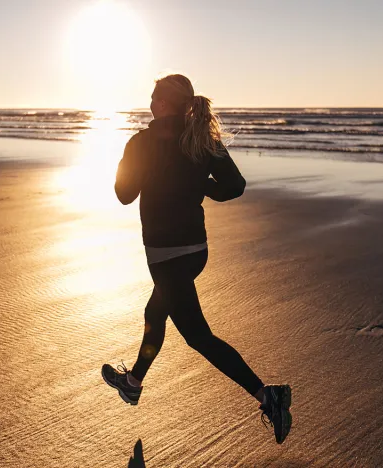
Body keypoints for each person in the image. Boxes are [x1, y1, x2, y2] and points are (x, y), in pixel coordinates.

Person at [101, 74, 292, 444]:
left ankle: (270, 397)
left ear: (160, 103)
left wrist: (131, 165)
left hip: (165, 256)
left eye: (153, 97)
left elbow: (124, 195)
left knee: (198, 337)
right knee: (154, 314)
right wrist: (198, 184)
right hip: (195, 252)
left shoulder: (143, 142)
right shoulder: (201, 139)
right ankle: (134, 383)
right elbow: (235, 186)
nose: (150, 102)